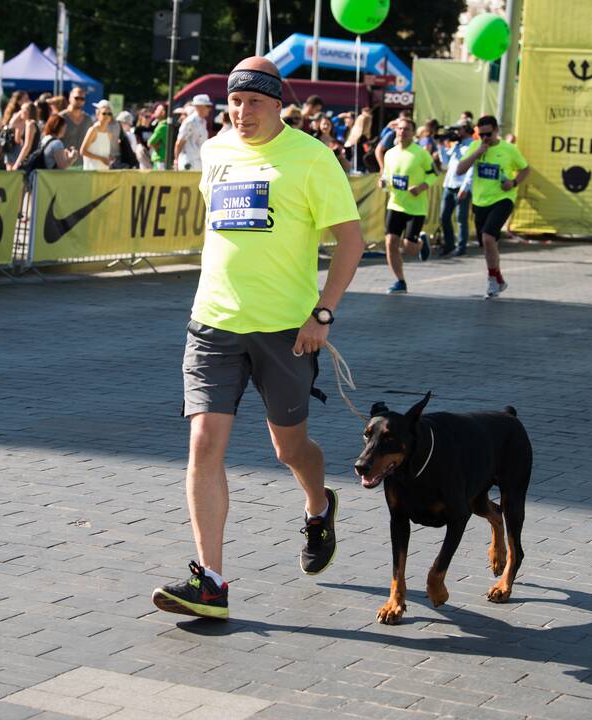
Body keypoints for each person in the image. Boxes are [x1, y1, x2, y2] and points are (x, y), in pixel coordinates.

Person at [150, 56, 365, 621]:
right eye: (234, 103)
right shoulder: (216, 151)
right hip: (213, 323)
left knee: (288, 448)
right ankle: (211, 582)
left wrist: (322, 315)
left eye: (253, 103)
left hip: (286, 333)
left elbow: (350, 241)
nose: (241, 113)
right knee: (203, 446)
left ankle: (319, 505)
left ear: (278, 105)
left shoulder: (313, 160)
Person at [454, 115, 530, 298]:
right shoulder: (475, 147)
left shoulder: (509, 149)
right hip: (480, 201)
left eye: (488, 134)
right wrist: (477, 153)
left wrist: (513, 183)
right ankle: (498, 278)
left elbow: (525, 169)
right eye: (481, 135)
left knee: (488, 238)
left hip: (503, 198)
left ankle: (491, 279)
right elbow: (459, 170)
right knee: (489, 244)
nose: (485, 138)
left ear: (496, 131)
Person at [380, 117, 434, 294]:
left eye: (406, 129)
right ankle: (400, 281)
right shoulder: (390, 154)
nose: (402, 132)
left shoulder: (421, 153)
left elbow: (434, 174)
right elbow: (387, 177)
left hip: (415, 207)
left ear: (413, 133)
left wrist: (421, 187)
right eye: (400, 129)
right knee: (390, 243)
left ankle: (420, 242)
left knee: (409, 249)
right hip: (395, 204)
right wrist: (383, 183)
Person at [439, 122, 474, 257]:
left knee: (461, 218)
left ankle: (461, 247)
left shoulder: (472, 145)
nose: (456, 133)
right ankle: (449, 245)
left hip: (461, 186)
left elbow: (471, 168)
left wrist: (465, 187)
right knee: (444, 217)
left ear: (466, 130)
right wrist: (442, 145)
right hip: (449, 184)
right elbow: (445, 161)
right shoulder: (457, 145)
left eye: (459, 130)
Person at [175, 93, 212, 170]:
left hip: (198, 162)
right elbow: (179, 143)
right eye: (208, 106)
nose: (210, 109)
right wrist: (176, 161)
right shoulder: (190, 121)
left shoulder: (203, 121)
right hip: (188, 162)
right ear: (199, 107)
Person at [59, 86, 92, 165]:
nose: (79, 101)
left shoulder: (88, 120)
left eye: (82, 99)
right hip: (64, 165)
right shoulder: (60, 117)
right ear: (70, 98)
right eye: (77, 98)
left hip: (83, 165)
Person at [80, 100, 114, 171]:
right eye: (104, 113)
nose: (107, 116)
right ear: (97, 114)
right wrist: (101, 159)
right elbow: (83, 151)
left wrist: (109, 158)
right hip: (91, 173)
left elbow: (103, 153)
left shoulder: (109, 134)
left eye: (109, 114)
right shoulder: (93, 130)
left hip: (103, 173)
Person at [147, 102, 169, 169]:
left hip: (160, 160)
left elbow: (150, 143)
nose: (155, 111)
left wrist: (155, 144)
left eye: (157, 109)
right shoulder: (166, 125)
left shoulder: (162, 126)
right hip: (163, 160)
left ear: (163, 112)